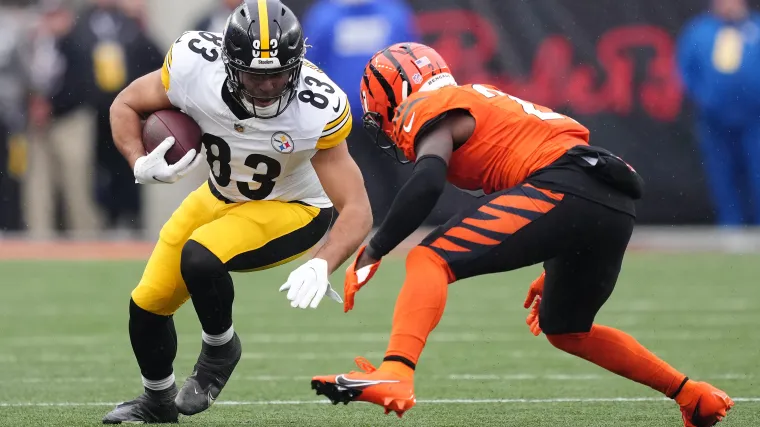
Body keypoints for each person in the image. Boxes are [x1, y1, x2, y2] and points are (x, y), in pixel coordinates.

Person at [310, 43, 734, 427]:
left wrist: (376, 248)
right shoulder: (480, 99)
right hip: (611, 199)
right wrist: (560, 255)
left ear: (392, 95)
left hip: (566, 185)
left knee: (428, 258)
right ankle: (692, 395)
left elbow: (427, 182)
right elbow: (553, 164)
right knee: (566, 328)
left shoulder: (431, 104)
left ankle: (397, 371)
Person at [102, 1, 372, 423]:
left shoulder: (317, 106)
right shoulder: (194, 67)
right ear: (228, 65)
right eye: (254, 75)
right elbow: (125, 104)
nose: (267, 87)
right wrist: (138, 160)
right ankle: (156, 402)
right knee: (148, 305)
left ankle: (219, 347)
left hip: (292, 208)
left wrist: (323, 263)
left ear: (298, 64)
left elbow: (356, 208)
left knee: (200, 255)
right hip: (220, 196)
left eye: (278, 74)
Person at [677, 0, 760, 225]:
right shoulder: (698, 31)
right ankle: (731, 225)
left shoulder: (756, 28)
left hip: (755, 118)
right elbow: (685, 70)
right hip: (714, 118)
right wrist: (703, 97)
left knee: (757, 171)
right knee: (722, 173)